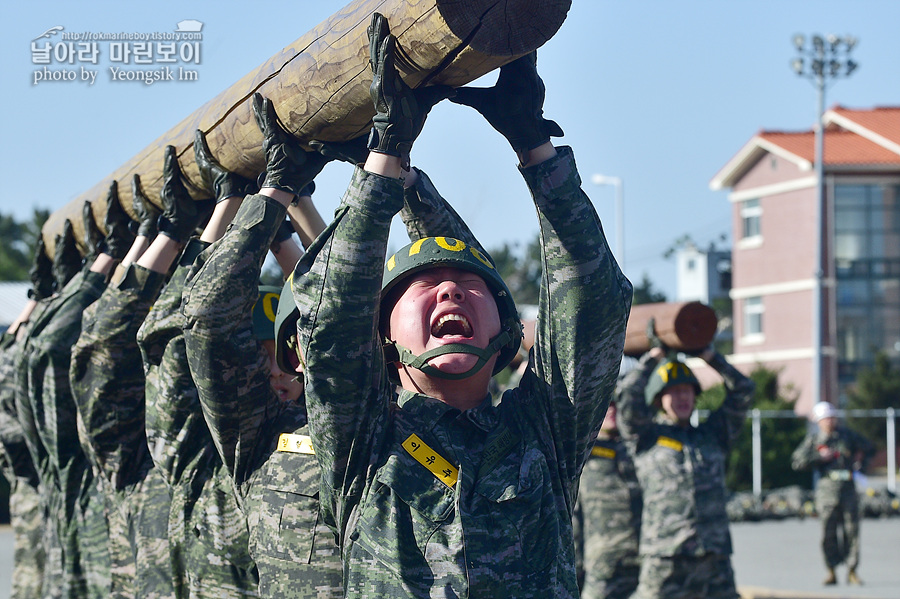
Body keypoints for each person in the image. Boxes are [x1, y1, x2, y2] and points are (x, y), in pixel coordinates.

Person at [288, 14, 631, 598]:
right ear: (385, 338)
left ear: (506, 330)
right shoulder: (362, 437)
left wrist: (536, 149)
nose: (449, 291)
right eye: (422, 286)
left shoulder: (541, 432)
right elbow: (333, 318)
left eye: (470, 284)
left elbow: (591, 304)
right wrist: (385, 156)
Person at [616, 325, 755, 599]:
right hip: (666, 556)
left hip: (713, 556)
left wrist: (709, 356)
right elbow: (628, 398)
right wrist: (654, 358)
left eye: (687, 391)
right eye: (673, 391)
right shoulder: (645, 437)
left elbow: (743, 389)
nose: (682, 397)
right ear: (659, 398)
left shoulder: (713, 434)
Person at [791, 401, 875, 586]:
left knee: (852, 531)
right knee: (828, 533)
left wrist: (861, 462)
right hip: (826, 491)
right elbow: (797, 462)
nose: (830, 421)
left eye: (832, 417)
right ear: (819, 421)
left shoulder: (847, 436)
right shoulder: (814, 440)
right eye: (826, 418)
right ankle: (831, 571)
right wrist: (819, 457)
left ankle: (852, 570)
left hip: (848, 489)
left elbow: (869, 447)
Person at [573, 398, 641, 599]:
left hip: (640, 567)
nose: (612, 409)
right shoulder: (579, 454)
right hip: (600, 568)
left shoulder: (636, 450)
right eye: (606, 403)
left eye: (617, 403)